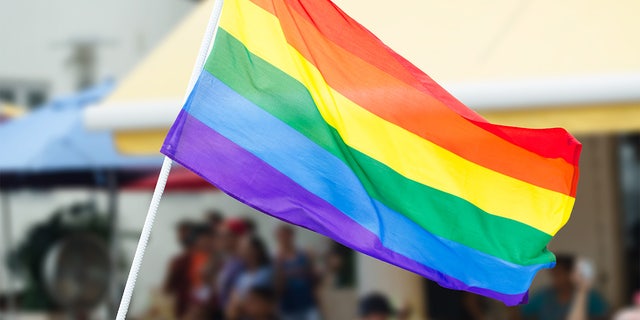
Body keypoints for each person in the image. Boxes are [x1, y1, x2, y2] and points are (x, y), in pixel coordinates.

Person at [520, 254, 608, 320]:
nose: (556, 279)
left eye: (559, 274)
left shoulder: (589, 296)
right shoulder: (543, 296)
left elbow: (603, 315)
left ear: (572, 274)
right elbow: (523, 313)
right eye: (553, 275)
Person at [273, 225, 319, 320]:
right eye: (281, 236)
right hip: (288, 307)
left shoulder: (304, 255)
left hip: (307, 304)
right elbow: (277, 288)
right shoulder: (276, 259)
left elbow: (314, 279)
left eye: (286, 235)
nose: (284, 239)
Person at [227, 236, 274, 319]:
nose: (243, 252)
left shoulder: (267, 273)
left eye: (246, 248)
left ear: (256, 250)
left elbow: (260, 299)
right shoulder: (242, 276)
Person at [163, 220, 195, 319]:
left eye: (182, 233)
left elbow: (168, 288)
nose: (179, 236)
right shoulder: (180, 260)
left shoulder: (183, 261)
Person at [216, 218, 249, 312]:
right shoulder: (227, 261)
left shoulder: (244, 262)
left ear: (237, 237)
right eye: (219, 236)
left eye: (225, 236)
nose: (220, 240)